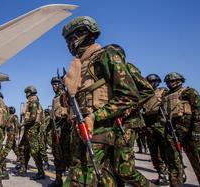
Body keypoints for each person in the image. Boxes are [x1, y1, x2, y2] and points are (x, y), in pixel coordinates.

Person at [61, 16, 155, 186]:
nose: (68, 44)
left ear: (84, 34)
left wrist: (95, 116)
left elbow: (129, 95)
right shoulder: (78, 65)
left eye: (71, 38)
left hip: (102, 129)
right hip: (82, 128)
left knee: (81, 178)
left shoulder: (106, 56)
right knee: (107, 178)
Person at [163, 72, 200, 187]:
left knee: (199, 160)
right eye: (168, 82)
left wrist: (197, 130)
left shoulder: (189, 92)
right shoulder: (166, 96)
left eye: (172, 81)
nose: (169, 84)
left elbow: (199, 111)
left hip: (190, 131)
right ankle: (176, 184)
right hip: (173, 131)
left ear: (179, 81)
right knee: (173, 161)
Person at [143, 74, 169, 185]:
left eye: (155, 81)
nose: (153, 83)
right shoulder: (144, 94)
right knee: (154, 153)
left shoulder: (164, 92)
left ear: (158, 82)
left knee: (168, 152)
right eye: (150, 81)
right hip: (149, 127)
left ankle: (175, 174)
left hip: (163, 126)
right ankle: (162, 175)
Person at [47, 77, 71, 187]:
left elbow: (70, 110)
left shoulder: (65, 95)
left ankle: (71, 181)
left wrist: (62, 112)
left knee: (67, 156)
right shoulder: (56, 98)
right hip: (57, 131)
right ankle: (58, 179)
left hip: (64, 131)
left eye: (56, 84)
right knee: (57, 156)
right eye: (53, 84)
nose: (54, 86)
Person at [17, 86, 45, 180]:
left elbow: (33, 118)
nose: (26, 95)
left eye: (27, 93)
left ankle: (41, 172)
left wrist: (22, 124)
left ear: (29, 93)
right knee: (22, 148)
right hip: (28, 130)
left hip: (32, 131)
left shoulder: (33, 102)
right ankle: (23, 168)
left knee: (34, 151)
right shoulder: (31, 102)